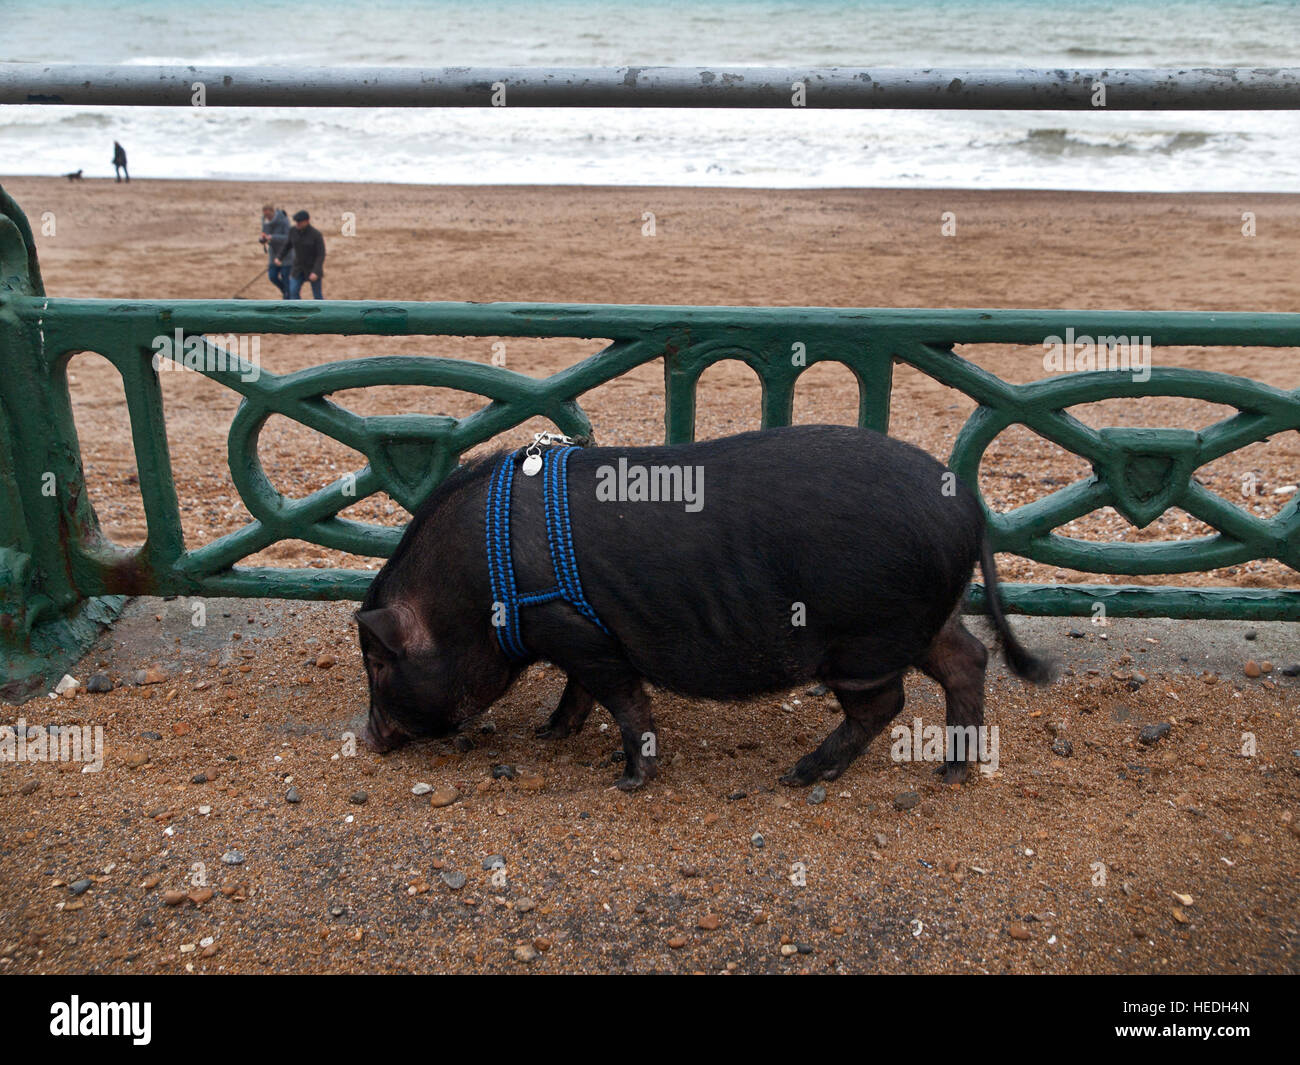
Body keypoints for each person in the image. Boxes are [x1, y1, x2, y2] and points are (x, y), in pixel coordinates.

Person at [274, 210, 325, 299]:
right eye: (296, 222)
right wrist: (279, 257)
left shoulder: (316, 235)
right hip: (298, 268)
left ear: (307, 221)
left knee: (317, 295)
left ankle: (321, 312)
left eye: (299, 222)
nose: (297, 224)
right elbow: (287, 246)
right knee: (293, 292)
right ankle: (298, 312)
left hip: (312, 268)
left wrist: (316, 271)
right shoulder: (293, 231)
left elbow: (321, 255)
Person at [259, 204, 293, 297]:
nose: (267, 217)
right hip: (273, 254)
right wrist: (262, 239)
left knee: (285, 277)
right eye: (266, 215)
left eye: (269, 215)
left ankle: (288, 297)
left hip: (286, 254)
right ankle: (286, 292)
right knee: (272, 276)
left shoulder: (284, 220)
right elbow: (263, 234)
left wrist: (273, 237)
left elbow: (288, 237)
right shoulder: (265, 221)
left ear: (273, 212)